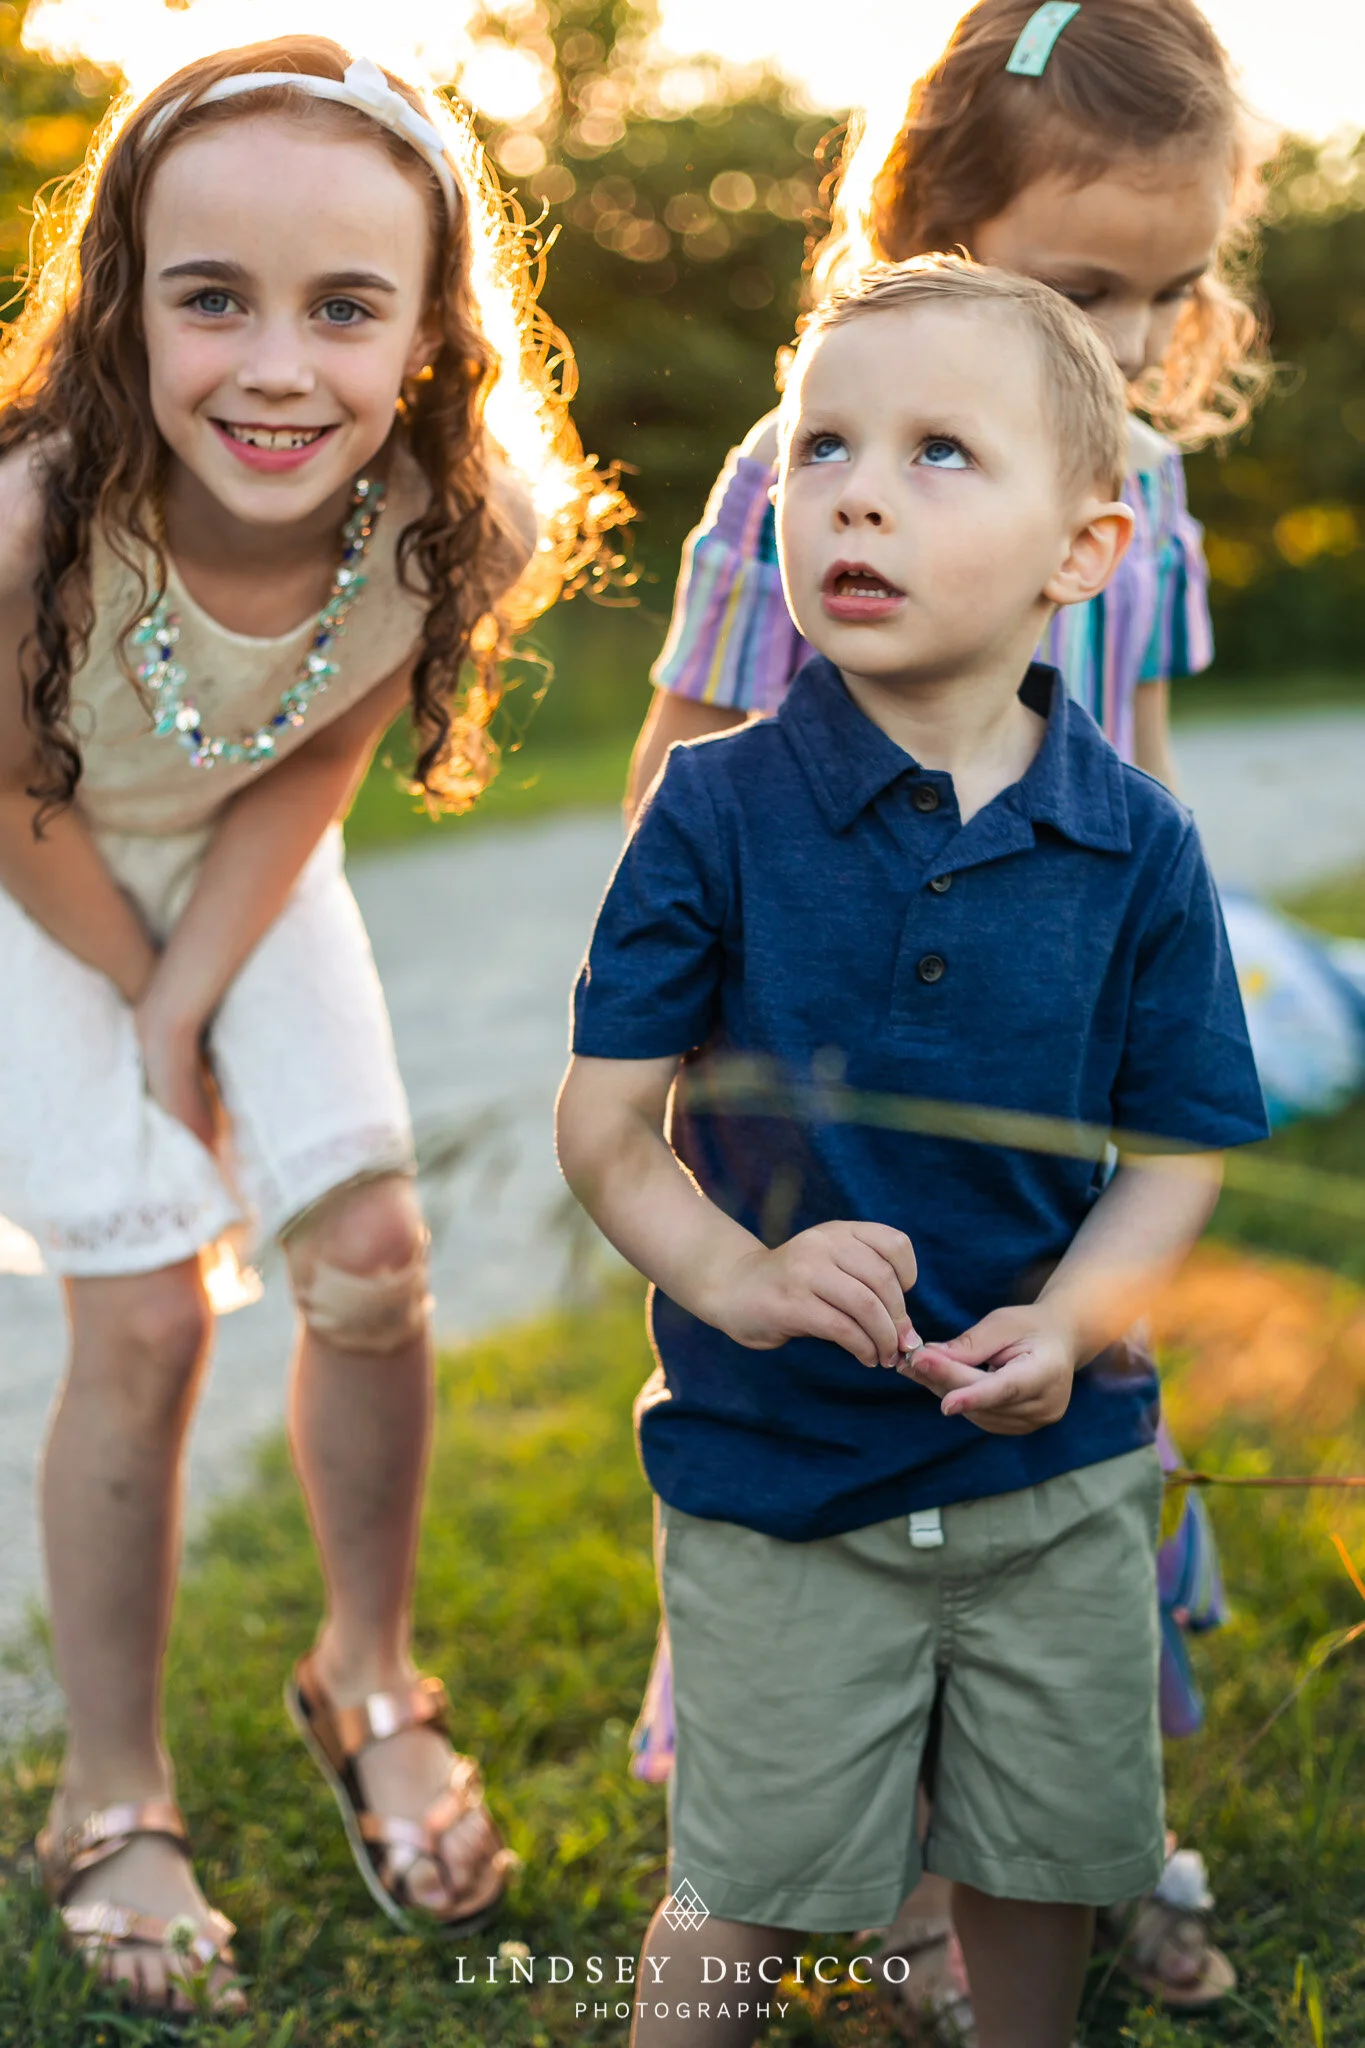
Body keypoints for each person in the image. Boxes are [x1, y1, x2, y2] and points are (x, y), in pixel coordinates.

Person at [625, 0, 1278, 2021]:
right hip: (830, 1097)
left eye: (1171, 290)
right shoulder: (803, 481)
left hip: (1042, 1083)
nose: (1135, 340)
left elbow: (1137, 774)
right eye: (1084, 287)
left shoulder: (1142, 493)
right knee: (843, 1448)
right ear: (934, 232)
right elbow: (677, 778)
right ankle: (885, 1861)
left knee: (1061, 1446)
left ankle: (1061, 1831)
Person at [0, 36, 615, 2016]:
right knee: (147, 1311)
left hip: (247, 873)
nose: (277, 369)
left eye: (345, 307)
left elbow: (315, 759)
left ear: (432, 326)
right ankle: (112, 1782)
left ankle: (367, 1673)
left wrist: (199, 990)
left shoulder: (453, 520)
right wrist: (142, 1008)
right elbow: (13, 799)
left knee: (369, 1256)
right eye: (214, 299)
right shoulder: (32, 525)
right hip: (34, 880)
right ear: (125, 303)